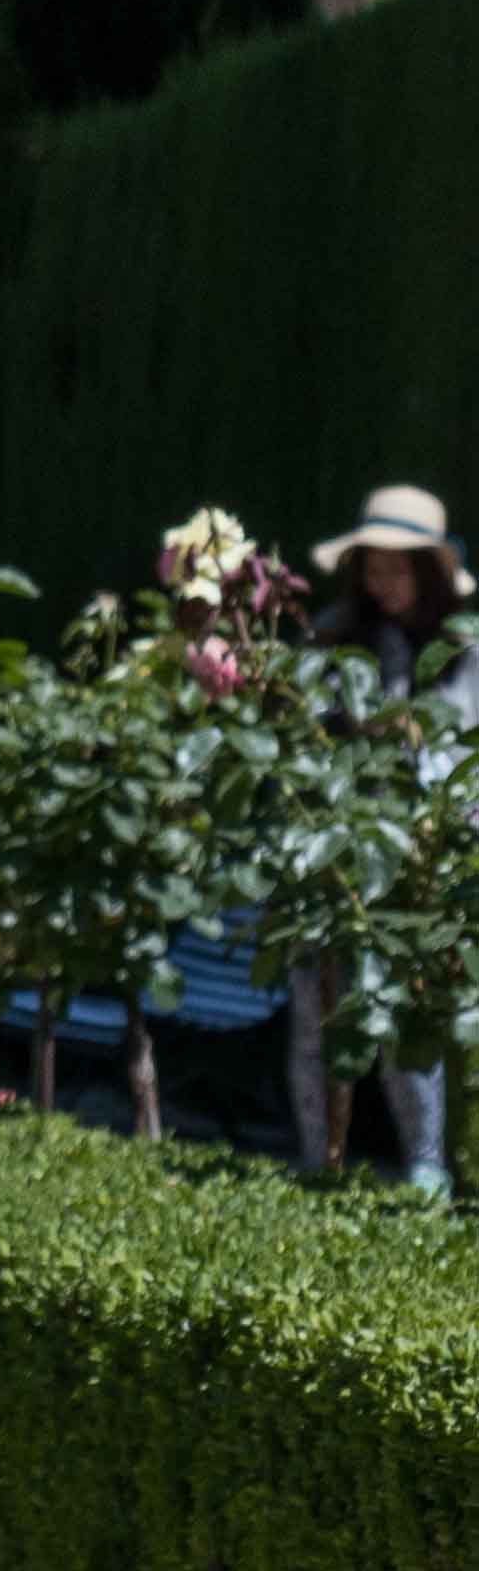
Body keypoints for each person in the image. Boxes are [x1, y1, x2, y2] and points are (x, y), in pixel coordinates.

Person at [288, 484, 479, 1186]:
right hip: (339, 862)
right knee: (316, 1011)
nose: (383, 582)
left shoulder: (465, 652)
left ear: (429, 572)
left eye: (398, 568)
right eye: (373, 567)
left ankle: (426, 1169)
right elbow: (299, 745)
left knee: (408, 1018)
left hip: (425, 867)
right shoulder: (335, 641)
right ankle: (316, 1160)